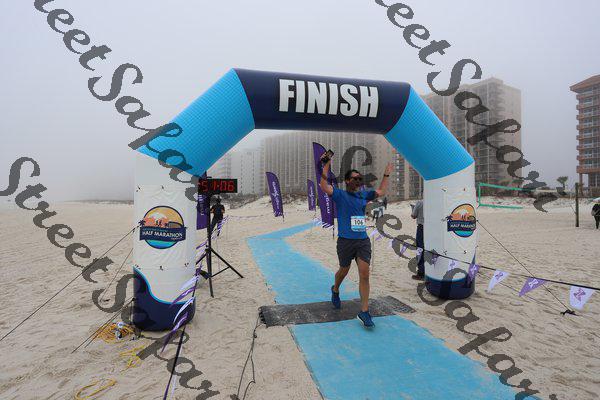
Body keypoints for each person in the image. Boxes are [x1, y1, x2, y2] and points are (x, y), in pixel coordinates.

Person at [319, 153, 393, 328]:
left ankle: (364, 311)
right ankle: (335, 289)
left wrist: (386, 175)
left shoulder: (364, 195)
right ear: (347, 181)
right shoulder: (339, 195)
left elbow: (381, 192)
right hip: (345, 241)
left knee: (364, 274)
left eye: (360, 178)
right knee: (343, 271)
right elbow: (323, 186)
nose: (358, 181)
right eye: (355, 178)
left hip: (362, 241)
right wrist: (326, 165)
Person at [411, 199, 425, 280]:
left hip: (422, 228)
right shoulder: (435, 202)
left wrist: (413, 209)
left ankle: (421, 273)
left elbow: (413, 215)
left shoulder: (420, 202)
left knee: (420, 249)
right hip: (433, 228)